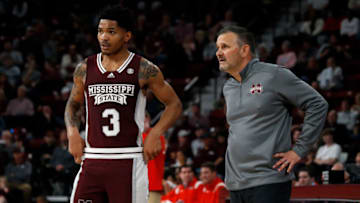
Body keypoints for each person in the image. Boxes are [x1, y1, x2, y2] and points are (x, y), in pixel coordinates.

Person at [64, 5, 182, 203]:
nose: (103, 37)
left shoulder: (143, 68)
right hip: (92, 158)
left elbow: (174, 104)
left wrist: (155, 132)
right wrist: (72, 133)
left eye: (111, 32)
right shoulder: (84, 68)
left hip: (129, 159)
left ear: (127, 36)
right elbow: (72, 105)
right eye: (100, 31)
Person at [215, 25, 328, 203]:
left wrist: (299, 150)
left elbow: (317, 104)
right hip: (235, 183)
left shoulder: (274, 74)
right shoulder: (228, 86)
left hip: (268, 180)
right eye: (218, 47)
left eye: (225, 47)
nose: (218, 52)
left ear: (244, 50)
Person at [142, 112, 166, 203]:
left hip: (153, 185)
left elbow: (147, 153)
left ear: (149, 119)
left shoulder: (156, 135)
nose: (143, 121)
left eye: (145, 118)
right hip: (136, 185)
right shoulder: (136, 136)